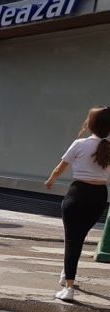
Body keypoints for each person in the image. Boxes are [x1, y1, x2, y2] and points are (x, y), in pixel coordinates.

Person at [45, 106, 110, 301]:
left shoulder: (80, 144)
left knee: (72, 240)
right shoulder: (108, 148)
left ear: (90, 124)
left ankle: (69, 288)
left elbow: (60, 168)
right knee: (78, 238)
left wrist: (50, 181)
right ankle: (67, 272)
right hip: (99, 197)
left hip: (78, 194)